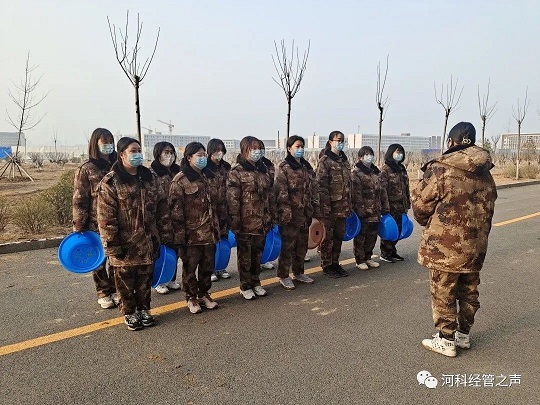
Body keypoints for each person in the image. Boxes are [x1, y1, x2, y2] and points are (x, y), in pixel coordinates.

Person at [412, 122, 497, 357]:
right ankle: (463, 334)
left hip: (444, 245)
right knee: (469, 289)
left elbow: (420, 206)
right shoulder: (485, 171)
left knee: (444, 290)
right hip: (476, 244)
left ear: (451, 142)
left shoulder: (441, 169)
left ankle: (445, 339)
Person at [97, 137, 171, 331]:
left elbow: (162, 207)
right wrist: (112, 245)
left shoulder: (149, 178)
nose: (138, 154)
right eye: (133, 151)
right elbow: (106, 217)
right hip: (124, 243)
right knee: (125, 282)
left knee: (145, 280)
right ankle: (130, 313)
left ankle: (144, 309)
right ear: (122, 154)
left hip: (148, 241)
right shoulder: (111, 182)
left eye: (139, 150)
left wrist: (164, 235)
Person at [169, 142, 222, 314]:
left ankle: (204, 293)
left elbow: (218, 204)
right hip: (191, 235)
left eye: (204, 154)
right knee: (190, 267)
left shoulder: (209, 177)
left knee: (208, 266)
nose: (202, 158)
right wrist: (179, 237)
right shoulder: (180, 181)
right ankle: (191, 297)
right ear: (189, 157)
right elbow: (176, 212)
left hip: (210, 232)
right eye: (198, 155)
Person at [72, 128, 119, 309]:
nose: (108, 145)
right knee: (99, 260)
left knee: (116, 257)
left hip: (116, 220)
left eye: (110, 140)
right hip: (94, 222)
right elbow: (79, 198)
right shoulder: (86, 169)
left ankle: (116, 289)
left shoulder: (118, 165)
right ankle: (103, 292)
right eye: (104, 141)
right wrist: (79, 224)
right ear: (95, 143)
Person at [227, 136, 273, 299]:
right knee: (245, 257)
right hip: (245, 223)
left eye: (259, 148)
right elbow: (233, 200)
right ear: (244, 150)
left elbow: (269, 196)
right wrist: (235, 222)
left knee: (258, 255)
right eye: (253, 148)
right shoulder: (236, 172)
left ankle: (256, 282)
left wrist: (270, 217)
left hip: (262, 222)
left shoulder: (263, 170)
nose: (256, 152)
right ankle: (245, 286)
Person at [275, 135, 318, 289]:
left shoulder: (306, 167)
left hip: (305, 214)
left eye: (302, 146)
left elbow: (313, 190)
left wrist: (314, 210)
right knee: (288, 247)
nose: (300, 149)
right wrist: (286, 215)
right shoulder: (284, 168)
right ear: (289, 148)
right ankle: (283, 275)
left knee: (301, 246)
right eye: (297, 146)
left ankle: (298, 272)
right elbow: (281, 193)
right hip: (290, 215)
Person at [315, 131, 352, 278]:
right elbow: (320, 186)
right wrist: (324, 208)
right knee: (327, 239)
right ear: (330, 142)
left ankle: (335, 262)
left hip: (343, 207)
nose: (340, 143)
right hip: (328, 208)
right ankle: (327, 264)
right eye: (338, 140)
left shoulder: (344, 160)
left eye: (342, 140)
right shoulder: (325, 161)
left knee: (338, 237)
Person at [149, 141, 182, 294]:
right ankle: (159, 280)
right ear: (158, 154)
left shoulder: (178, 172)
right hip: (160, 219)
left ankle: (171, 278)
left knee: (174, 250)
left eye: (171, 152)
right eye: (165, 152)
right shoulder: (152, 173)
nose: (169, 155)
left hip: (176, 218)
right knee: (160, 250)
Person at [352, 146, 389, 270]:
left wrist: (385, 206)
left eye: (371, 154)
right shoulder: (356, 173)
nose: (369, 157)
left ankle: (368, 257)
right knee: (361, 236)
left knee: (372, 235)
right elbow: (356, 194)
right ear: (360, 157)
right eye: (366, 155)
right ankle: (360, 259)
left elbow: (382, 190)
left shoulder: (376, 172)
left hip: (376, 210)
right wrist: (360, 210)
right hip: (364, 210)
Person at [379, 144, 411, 263]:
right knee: (389, 229)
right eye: (397, 152)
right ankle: (385, 253)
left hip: (401, 205)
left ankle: (392, 251)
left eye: (401, 152)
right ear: (391, 153)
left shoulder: (402, 168)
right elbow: (382, 189)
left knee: (398, 229)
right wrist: (384, 206)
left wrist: (407, 202)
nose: (400, 154)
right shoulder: (386, 169)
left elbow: (406, 187)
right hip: (390, 205)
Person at [206, 138, 232, 282]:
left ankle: (221, 267)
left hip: (224, 209)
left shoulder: (226, 167)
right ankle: (210, 269)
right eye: (216, 150)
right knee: (211, 241)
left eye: (221, 150)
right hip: (210, 210)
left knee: (224, 239)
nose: (219, 153)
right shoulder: (205, 168)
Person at [259, 139, 276, 271]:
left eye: (261, 148)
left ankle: (264, 259)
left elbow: (271, 186)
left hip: (267, 204)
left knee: (266, 237)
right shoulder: (241, 169)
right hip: (252, 211)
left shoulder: (268, 165)